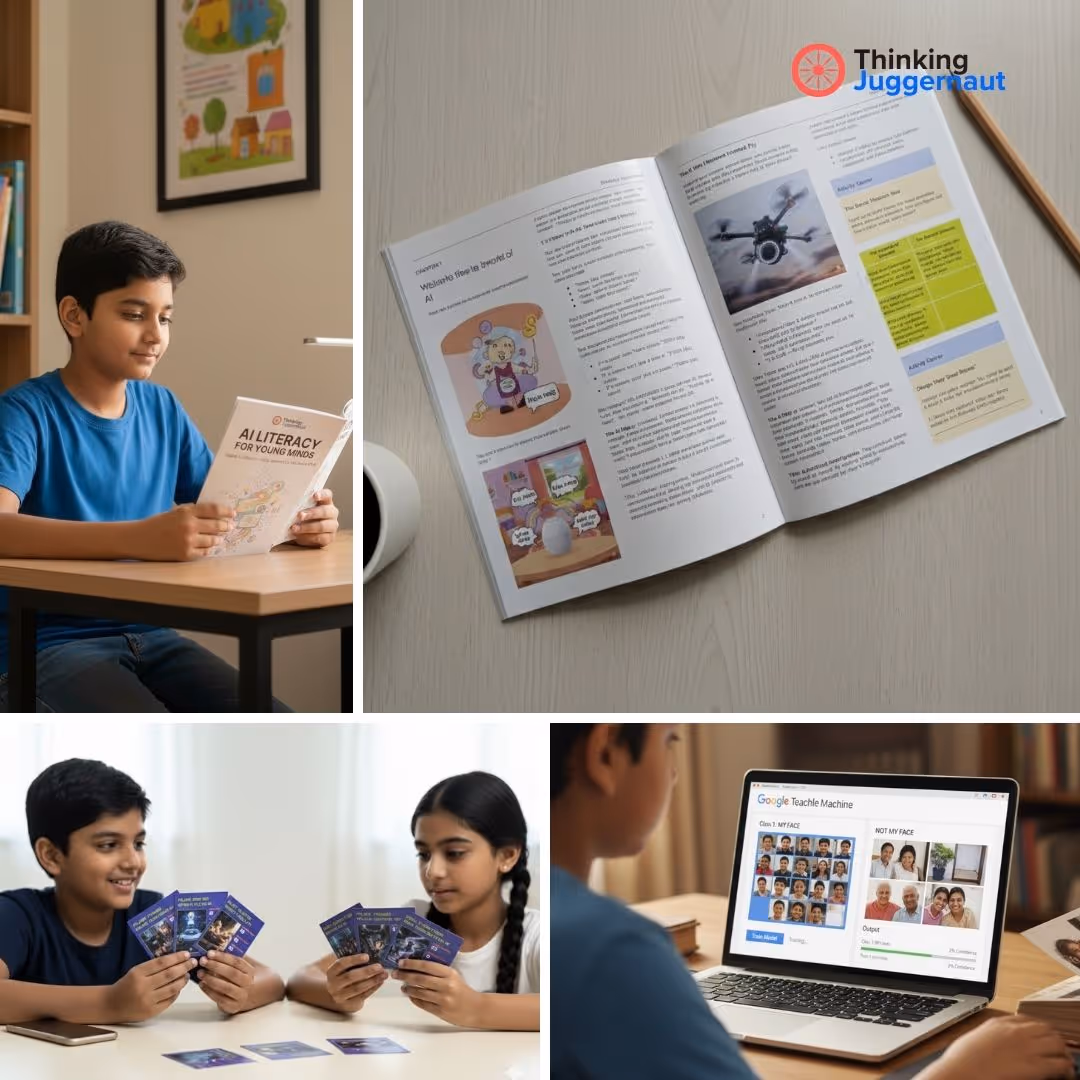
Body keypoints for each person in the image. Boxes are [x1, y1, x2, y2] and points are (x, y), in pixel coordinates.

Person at [550, 724, 1075, 1080]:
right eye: (668, 741)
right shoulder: (615, 950)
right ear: (604, 755)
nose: (673, 769)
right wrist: (961, 1072)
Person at [0, 221, 341, 713]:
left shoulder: (163, 408)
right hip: (45, 643)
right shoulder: (24, 413)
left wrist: (298, 521)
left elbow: (226, 514)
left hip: (150, 632)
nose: (155, 335)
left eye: (166, 318)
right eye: (135, 314)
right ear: (75, 315)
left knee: (277, 722)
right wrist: (137, 538)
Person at [0, 759, 284, 1023]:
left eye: (138, 844)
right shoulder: (17, 914)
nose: (132, 862)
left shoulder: (155, 915)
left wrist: (242, 991)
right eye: (108, 845)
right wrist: (109, 1003)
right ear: (51, 855)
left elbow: (271, 980)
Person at [288, 771, 539, 1031]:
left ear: (507, 855)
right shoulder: (411, 922)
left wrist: (475, 1008)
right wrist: (339, 995)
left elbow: (574, 1010)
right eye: (423, 853)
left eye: (454, 853)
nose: (433, 871)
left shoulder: (539, 936)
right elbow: (300, 980)